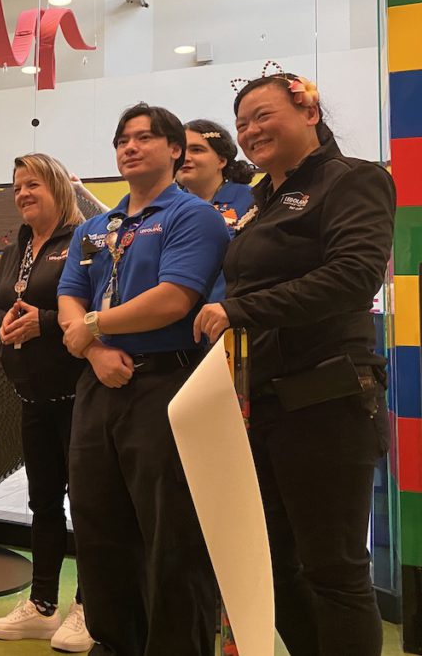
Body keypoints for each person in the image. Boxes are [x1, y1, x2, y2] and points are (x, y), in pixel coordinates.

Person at [193, 73, 395, 656]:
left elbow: (353, 276)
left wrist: (238, 310)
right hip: (266, 402)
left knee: (333, 569)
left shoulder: (353, 179)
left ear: (308, 110)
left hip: (328, 398)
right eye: (242, 122)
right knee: (275, 565)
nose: (251, 131)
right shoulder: (262, 200)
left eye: (263, 115)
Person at [57, 104, 230, 655]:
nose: (130, 147)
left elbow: (173, 299)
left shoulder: (192, 216)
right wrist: (95, 353)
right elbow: (69, 294)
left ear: (176, 150)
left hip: (165, 385)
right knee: (97, 523)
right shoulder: (94, 227)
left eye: (145, 138)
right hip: (99, 386)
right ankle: (113, 643)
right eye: (123, 139)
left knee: (170, 535)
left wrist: (91, 329)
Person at [0, 153, 94, 653]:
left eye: (33, 185)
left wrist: (44, 322)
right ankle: (42, 605)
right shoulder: (18, 248)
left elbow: (100, 308)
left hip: (81, 397)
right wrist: (1, 323)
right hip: (32, 396)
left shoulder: (87, 241)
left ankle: (88, 609)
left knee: (89, 507)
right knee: (43, 504)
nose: (23, 194)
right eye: (17, 187)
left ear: (58, 188)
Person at [176, 119, 255, 301]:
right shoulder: (163, 208)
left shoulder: (253, 201)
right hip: (175, 318)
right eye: (180, 151)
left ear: (221, 160)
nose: (185, 158)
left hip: (234, 314)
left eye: (196, 150)